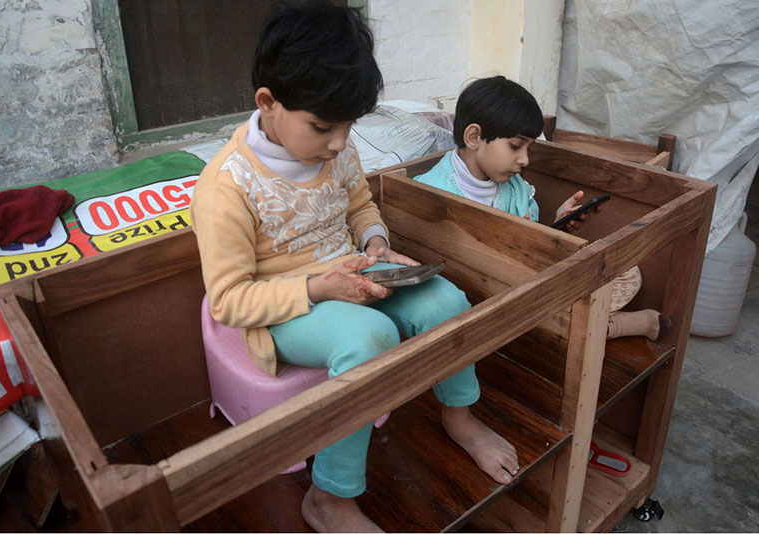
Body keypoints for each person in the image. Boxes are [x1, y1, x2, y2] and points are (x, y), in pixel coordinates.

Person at [190, 4, 518, 532]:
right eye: (323, 127)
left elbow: (360, 205)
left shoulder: (334, 150)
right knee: (369, 338)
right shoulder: (226, 187)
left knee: (446, 301)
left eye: (348, 126)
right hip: (288, 304)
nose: (340, 143)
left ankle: (460, 417)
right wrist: (320, 288)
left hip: (358, 273)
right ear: (268, 103)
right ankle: (329, 499)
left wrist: (378, 244)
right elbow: (229, 301)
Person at [414, 76, 670, 341]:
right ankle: (612, 327)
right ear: (475, 136)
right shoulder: (429, 190)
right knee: (552, 309)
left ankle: (583, 323)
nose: (525, 159)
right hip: (481, 301)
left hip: (531, 288)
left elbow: (531, 253)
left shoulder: (516, 188)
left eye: (529, 148)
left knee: (628, 273)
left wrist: (555, 227)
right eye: (515, 146)